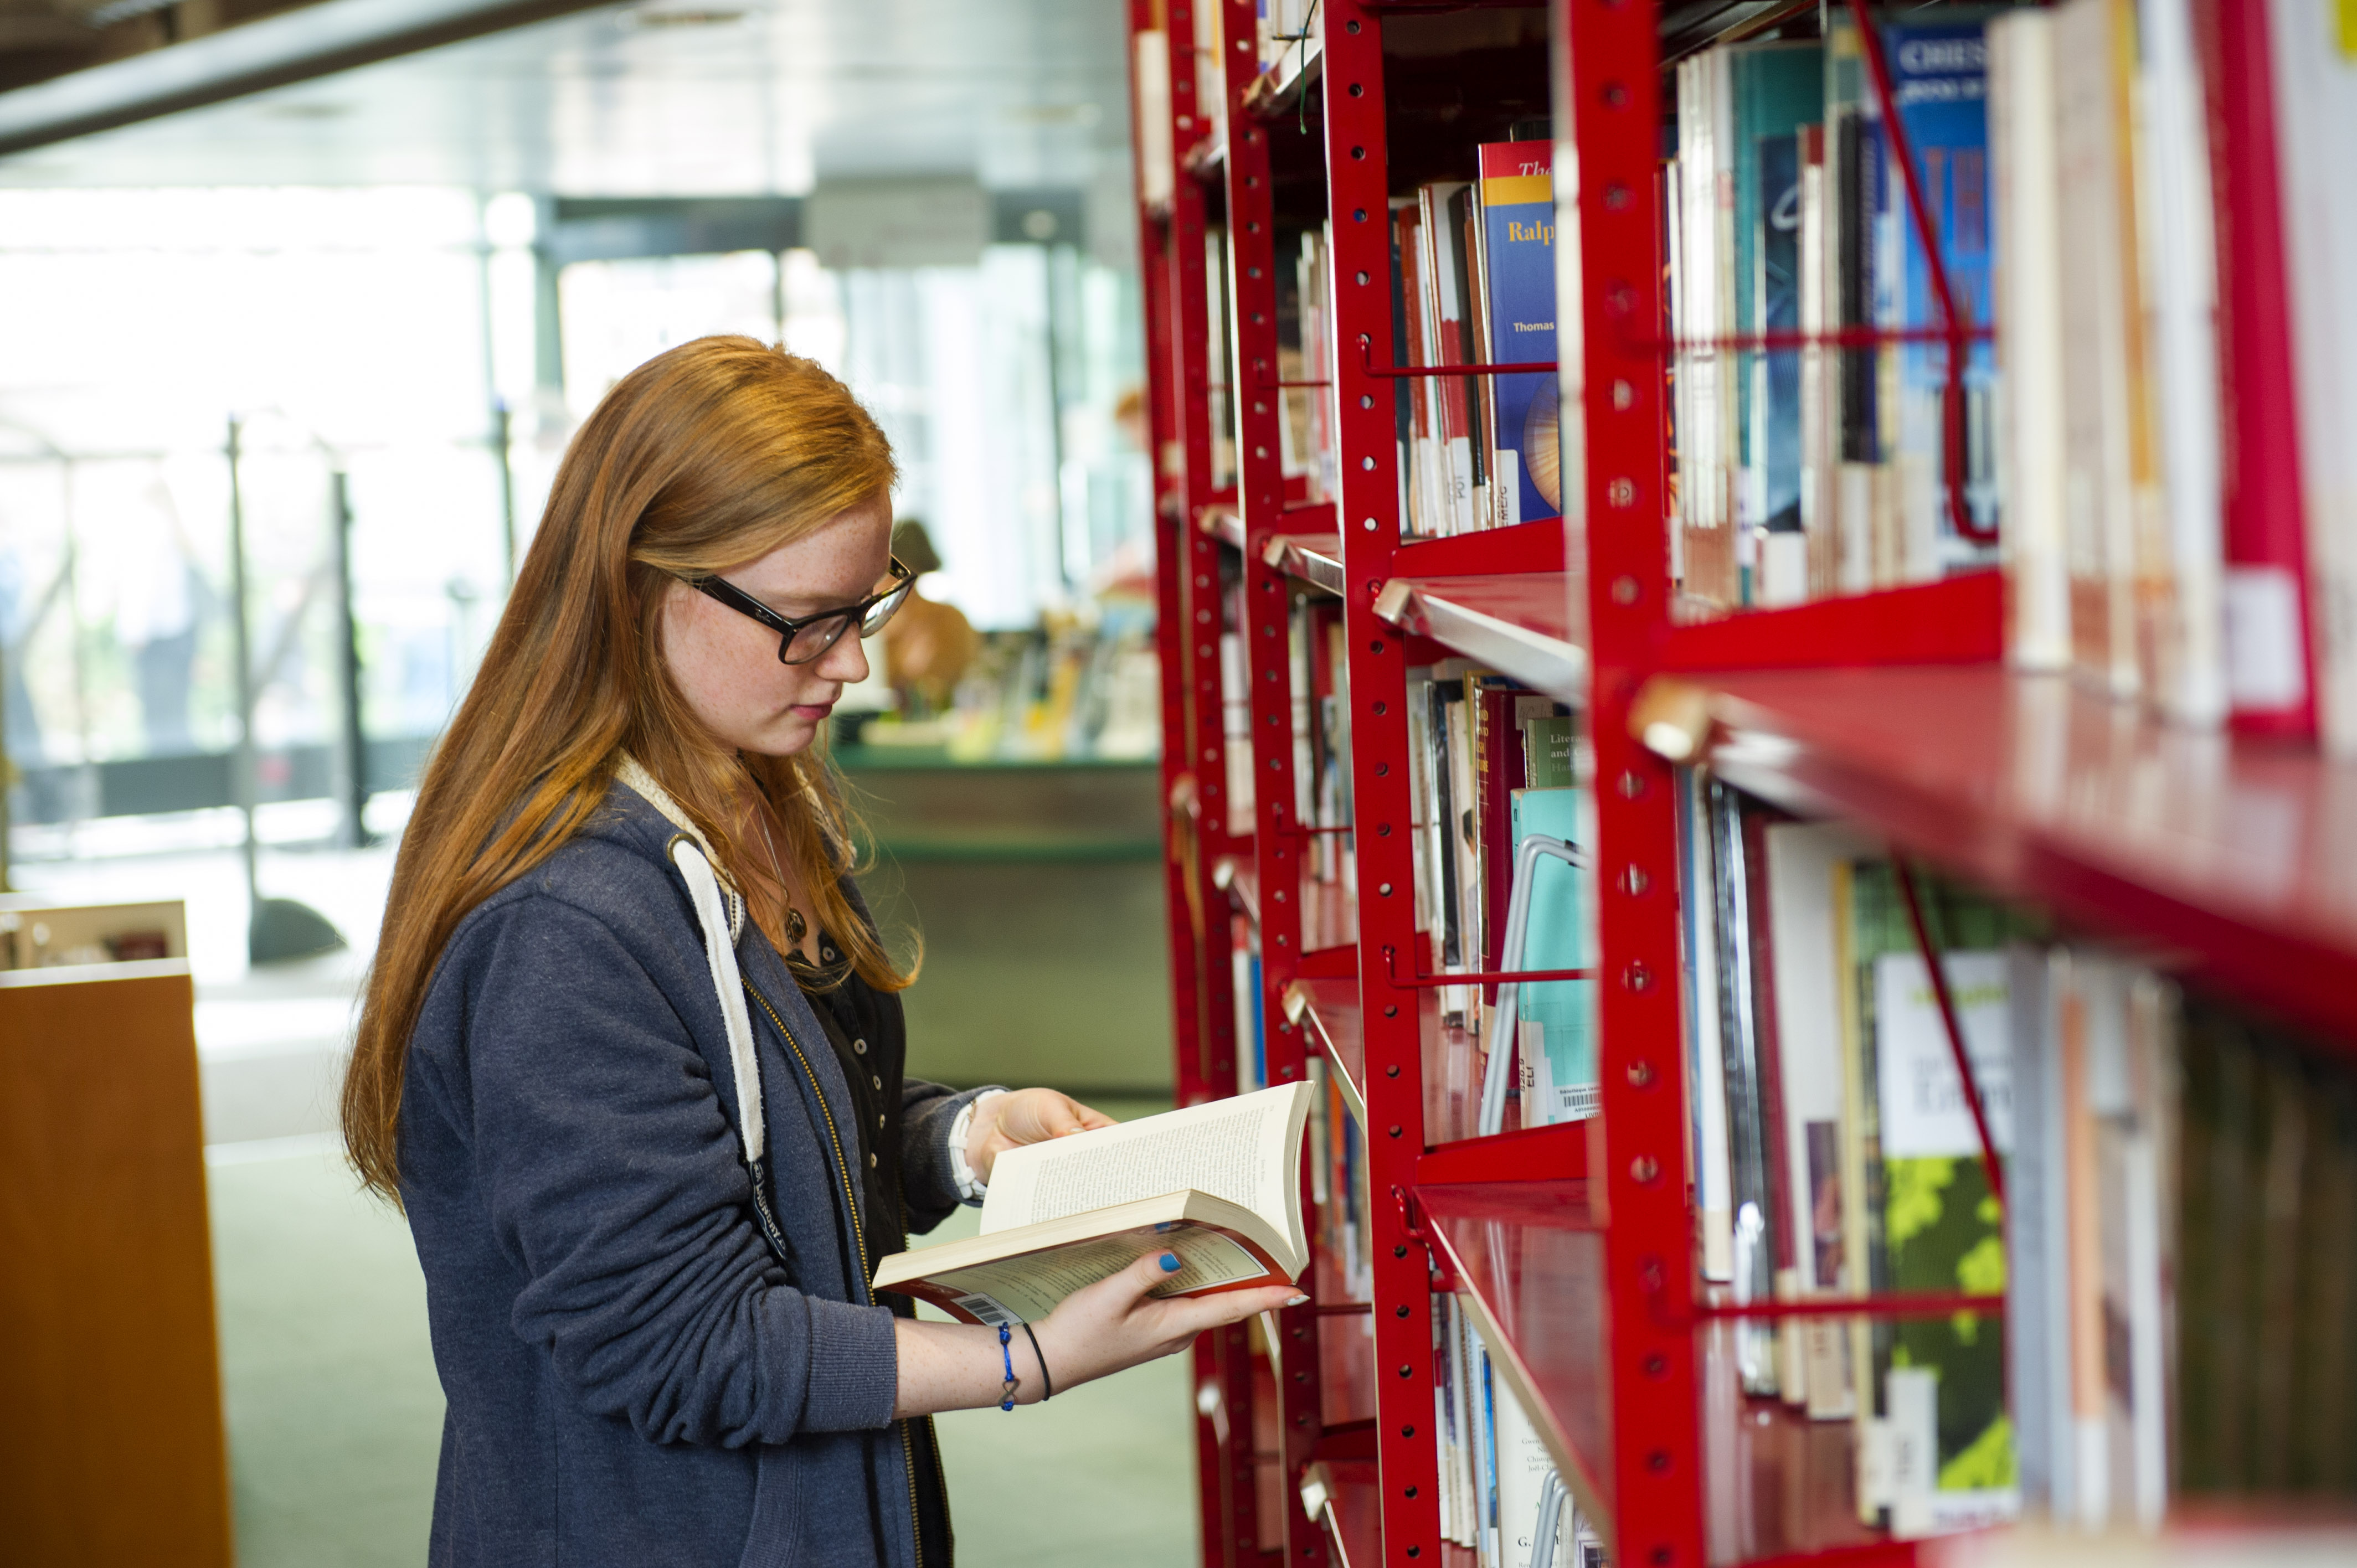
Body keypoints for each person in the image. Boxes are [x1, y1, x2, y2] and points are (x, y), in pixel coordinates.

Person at [339, 336, 1299, 1568]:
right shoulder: (562, 929)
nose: (851, 662)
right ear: (645, 590)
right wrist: (1025, 1359)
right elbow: (677, 1342)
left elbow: (763, 1166)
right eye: (809, 622)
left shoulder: (747, 799)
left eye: (868, 606)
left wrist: (961, 1137)